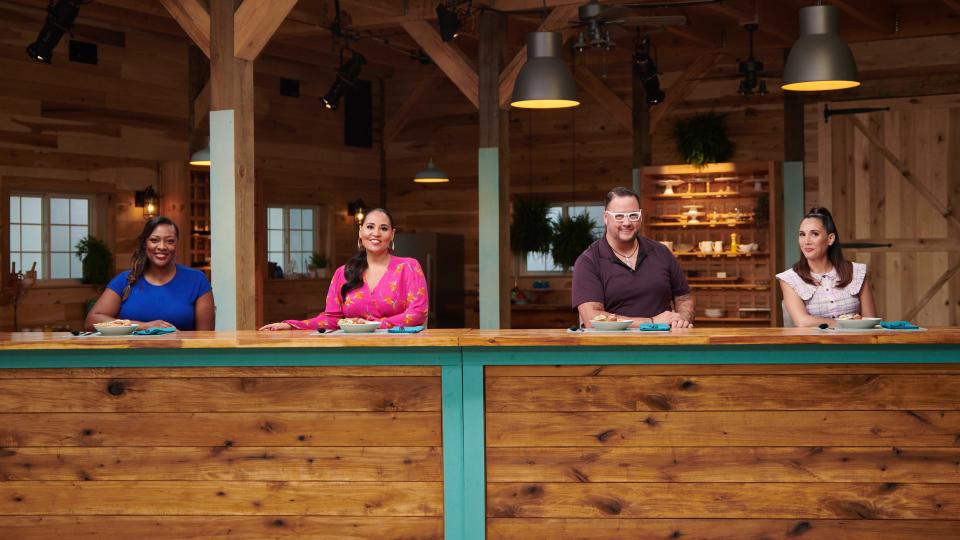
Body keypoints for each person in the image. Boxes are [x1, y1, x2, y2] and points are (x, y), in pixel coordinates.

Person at [259, 208, 428, 331]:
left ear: (392, 234)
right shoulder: (343, 273)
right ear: (361, 232)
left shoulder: (409, 267)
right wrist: (291, 325)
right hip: (352, 351)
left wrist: (371, 326)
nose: (376, 233)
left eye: (383, 228)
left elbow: (417, 314)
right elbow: (331, 319)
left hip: (400, 351)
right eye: (370, 227)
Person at [572, 187, 694, 328]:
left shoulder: (661, 252)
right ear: (606, 218)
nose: (627, 223)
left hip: (662, 346)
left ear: (640, 216)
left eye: (633, 215)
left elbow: (684, 298)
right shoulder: (588, 261)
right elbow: (593, 319)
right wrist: (651, 322)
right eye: (619, 216)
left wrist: (682, 320)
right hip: (611, 348)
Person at [86, 216, 215, 331]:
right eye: (154, 240)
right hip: (132, 356)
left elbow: (206, 338)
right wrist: (143, 326)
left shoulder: (197, 280)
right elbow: (92, 320)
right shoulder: (124, 280)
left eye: (170, 241)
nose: (162, 247)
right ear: (144, 244)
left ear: (176, 245)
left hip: (181, 357)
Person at [777, 207, 877, 327]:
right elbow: (802, 322)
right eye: (802, 234)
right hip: (812, 345)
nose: (806, 241)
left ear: (830, 239)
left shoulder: (857, 272)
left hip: (854, 344)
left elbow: (871, 321)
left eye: (814, 234)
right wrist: (846, 324)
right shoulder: (789, 279)